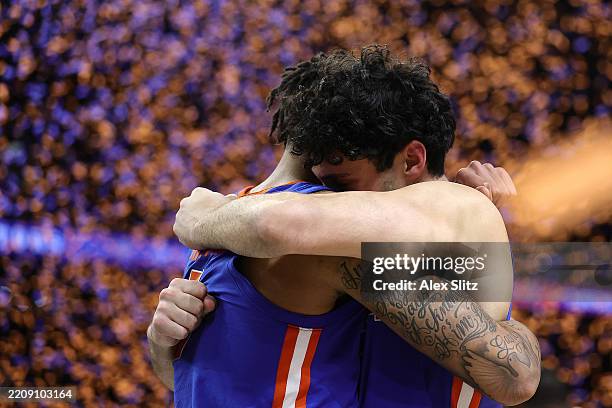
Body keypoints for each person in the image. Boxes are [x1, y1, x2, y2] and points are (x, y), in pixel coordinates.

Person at [171, 46, 541, 407]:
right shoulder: (357, 245)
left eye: (341, 185)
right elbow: (219, 378)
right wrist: (164, 341)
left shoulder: (457, 203)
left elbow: (515, 375)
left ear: (412, 160)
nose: (330, 198)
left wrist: (201, 219)